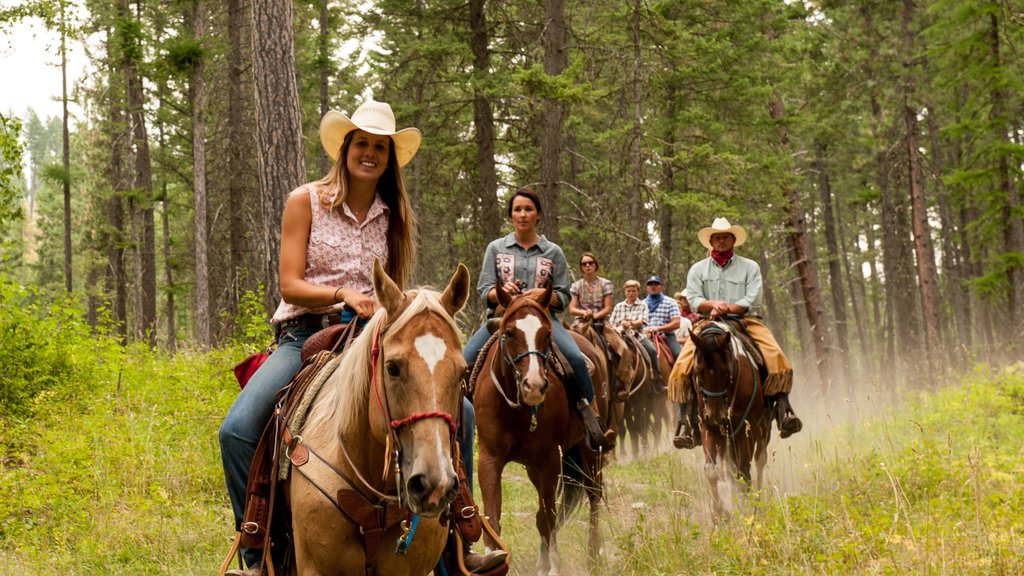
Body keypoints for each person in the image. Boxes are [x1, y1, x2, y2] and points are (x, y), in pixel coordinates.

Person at [218, 100, 499, 575]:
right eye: (362, 144)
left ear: (389, 158)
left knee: (462, 414)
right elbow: (289, 283)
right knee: (239, 430)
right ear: (345, 148)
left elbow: (392, 292)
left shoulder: (394, 216)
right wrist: (340, 292)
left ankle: (457, 539)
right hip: (305, 334)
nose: (369, 153)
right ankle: (257, 549)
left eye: (380, 147)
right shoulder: (305, 200)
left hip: (371, 337)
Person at [463, 187, 615, 450]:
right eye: (517, 210)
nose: (522, 214)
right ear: (511, 215)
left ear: (538, 215)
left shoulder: (552, 252)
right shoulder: (496, 248)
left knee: (577, 359)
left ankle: (591, 420)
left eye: (528, 209)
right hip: (503, 321)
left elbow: (564, 296)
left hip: (544, 321)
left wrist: (539, 295)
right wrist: (501, 294)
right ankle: (456, 426)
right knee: (463, 362)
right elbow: (483, 290)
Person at [670, 217, 803, 450]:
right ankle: (687, 423)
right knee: (680, 370)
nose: (722, 241)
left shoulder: (750, 267)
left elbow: (753, 297)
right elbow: (693, 299)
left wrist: (729, 307)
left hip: (744, 320)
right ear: (710, 241)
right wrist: (713, 305)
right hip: (706, 322)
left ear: (733, 240)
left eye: (726, 237)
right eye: (717, 237)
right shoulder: (697, 269)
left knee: (777, 359)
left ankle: (783, 411)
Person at [609, 279, 665, 393]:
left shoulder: (642, 305)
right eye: (628, 291)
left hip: (636, 335)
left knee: (652, 351)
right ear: (625, 292)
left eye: (633, 291)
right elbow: (611, 323)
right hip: (619, 335)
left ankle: (657, 379)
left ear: (637, 292)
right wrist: (618, 328)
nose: (631, 293)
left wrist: (630, 323)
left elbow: (643, 321)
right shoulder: (619, 306)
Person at [642, 275, 681, 361]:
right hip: (644, 335)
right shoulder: (641, 303)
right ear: (647, 288)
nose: (653, 287)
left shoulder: (670, 302)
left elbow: (676, 323)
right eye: (650, 285)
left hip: (666, 335)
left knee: (678, 354)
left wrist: (658, 328)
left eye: (656, 284)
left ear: (661, 287)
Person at [568, 252, 614, 323]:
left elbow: (608, 308)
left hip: (602, 321)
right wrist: (584, 313)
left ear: (595, 265)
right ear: (581, 267)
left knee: (612, 334)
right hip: (581, 321)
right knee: (569, 333)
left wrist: (594, 316)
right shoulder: (576, 285)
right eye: (584, 264)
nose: (587, 265)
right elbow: (572, 309)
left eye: (590, 263)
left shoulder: (606, 284)